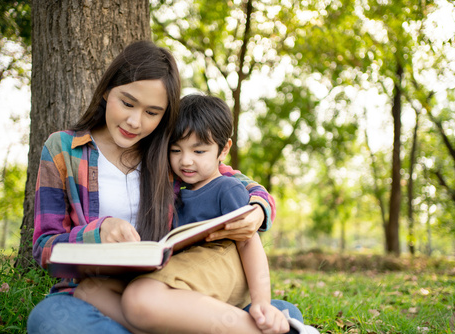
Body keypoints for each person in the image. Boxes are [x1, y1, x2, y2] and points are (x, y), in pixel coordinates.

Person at [27, 40, 307, 334]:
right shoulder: (63, 148)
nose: (135, 122)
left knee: (280, 310)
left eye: (152, 112)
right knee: (49, 319)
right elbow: (44, 247)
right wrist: (98, 232)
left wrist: (259, 210)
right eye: (127, 103)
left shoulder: (169, 152)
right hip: (99, 293)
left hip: (168, 286)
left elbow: (236, 182)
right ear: (107, 89)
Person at [74, 94, 319, 334]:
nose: (186, 161)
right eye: (176, 150)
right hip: (182, 269)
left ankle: (287, 331)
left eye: (198, 151)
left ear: (223, 150)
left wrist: (262, 301)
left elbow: (249, 244)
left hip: (219, 262)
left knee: (140, 298)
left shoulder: (227, 187)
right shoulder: (173, 190)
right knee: (89, 290)